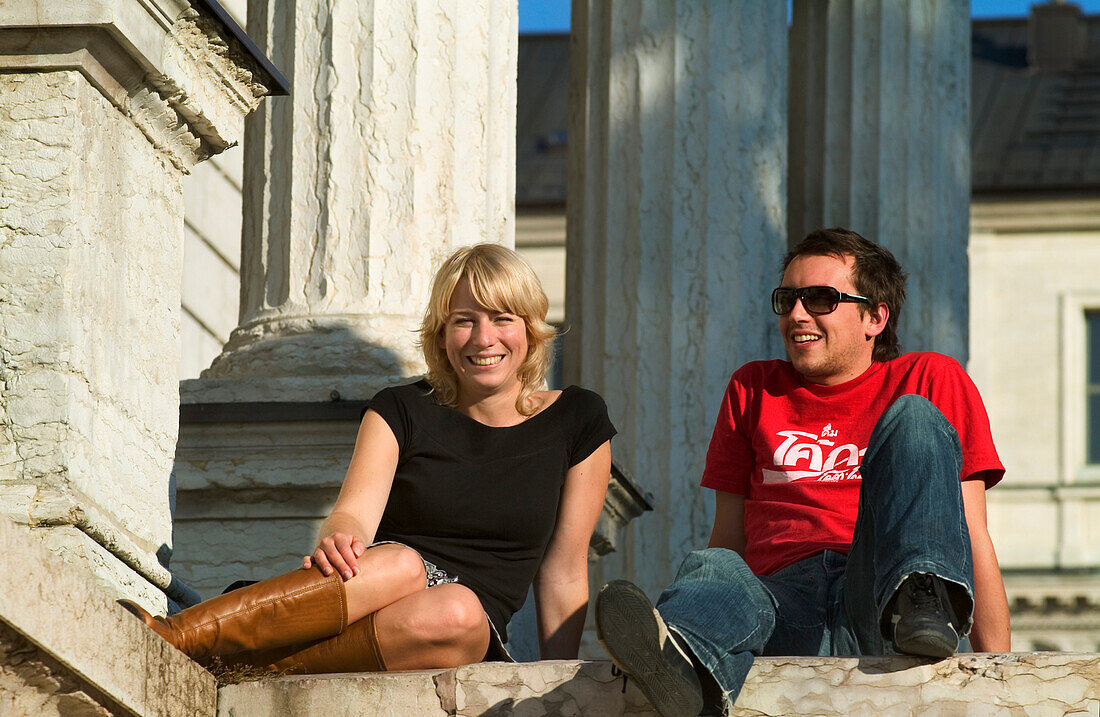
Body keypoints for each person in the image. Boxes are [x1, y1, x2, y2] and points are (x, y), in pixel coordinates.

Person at [123, 243, 616, 672]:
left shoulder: (577, 419)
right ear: (442, 335)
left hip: (453, 629)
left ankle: (249, 661)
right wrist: (343, 538)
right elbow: (354, 512)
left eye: (502, 319)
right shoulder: (400, 409)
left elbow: (565, 568)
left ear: (529, 330)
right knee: (404, 563)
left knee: (458, 610)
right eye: (464, 320)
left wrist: (558, 677)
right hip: (377, 591)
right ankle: (175, 638)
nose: (483, 339)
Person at [594, 228, 1010, 716]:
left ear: (875, 317)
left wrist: (998, 671)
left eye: (819, 299)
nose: (796, 314)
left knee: (914, 417)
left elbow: (972, 531)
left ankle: (923, 599)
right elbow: (728, 535)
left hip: (879, 596)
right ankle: (684, 662)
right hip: (781, 603)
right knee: (715, 566)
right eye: (788, 298)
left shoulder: (930, 377)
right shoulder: (752, 388)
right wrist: (713, 595)